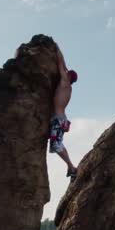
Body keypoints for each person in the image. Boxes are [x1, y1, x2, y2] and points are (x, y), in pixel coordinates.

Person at [50, 47, 79, 179]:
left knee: (56, 145)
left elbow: (60, 62)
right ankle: (70, 167)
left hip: (59, 119)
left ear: (68, 76)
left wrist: (57, 47)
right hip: (60, 119)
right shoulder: (68, 88)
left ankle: (72, 167)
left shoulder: (64, 82)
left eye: (67, 72)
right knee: (57, 144)